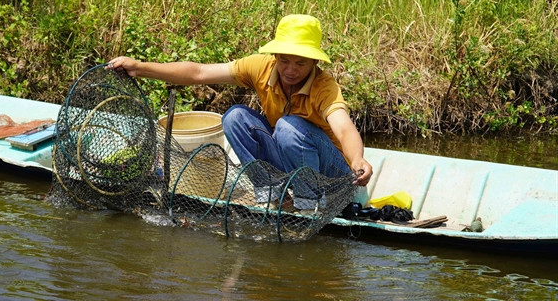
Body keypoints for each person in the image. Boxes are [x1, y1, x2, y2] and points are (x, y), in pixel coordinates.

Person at [107, 14, 373, 210]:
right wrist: (140, 67)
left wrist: (358, 159)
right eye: (284, 61)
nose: (290, 69)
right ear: (275, 56)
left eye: (300, 63)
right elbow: (199, 72)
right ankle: (272, 192)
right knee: (235, 117)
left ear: (314, 61)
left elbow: (343, 127)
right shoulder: (262, 67)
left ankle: (309, 199)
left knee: (288, 127)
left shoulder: (323, 86)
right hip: (291, 160)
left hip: (331, 173)